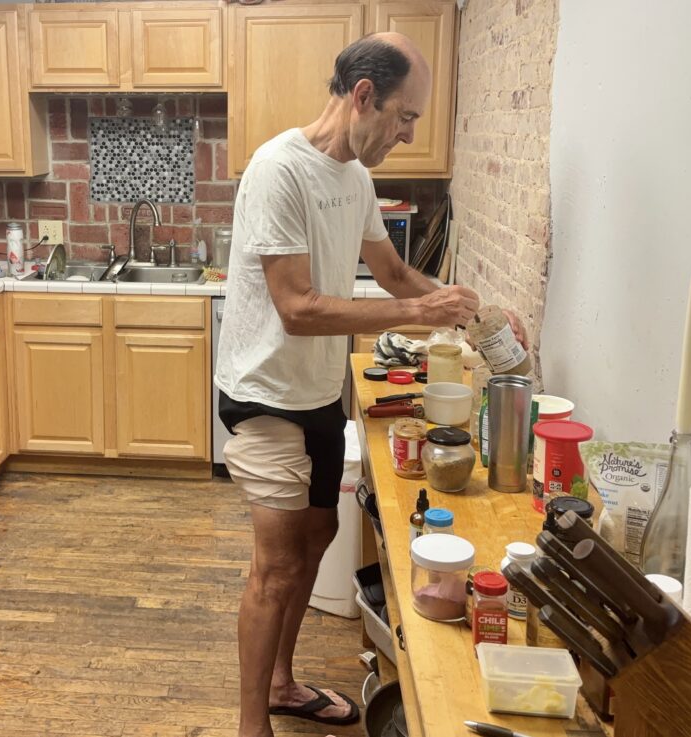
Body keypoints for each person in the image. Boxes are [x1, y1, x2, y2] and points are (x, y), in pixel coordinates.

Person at [214, 32, 527, 736]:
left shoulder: (353, 178)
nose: (410, 133)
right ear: (363, 97)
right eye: (406, 116)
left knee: (319, 532)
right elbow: (296, 308)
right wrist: (420, 312)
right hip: (264, 392)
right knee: (274, 565)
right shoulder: (278, 171)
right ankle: (248, 724)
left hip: (320, 390)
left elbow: (394, 276)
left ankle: (282, 683)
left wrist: (479, 314)